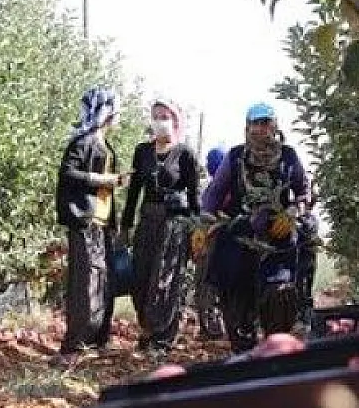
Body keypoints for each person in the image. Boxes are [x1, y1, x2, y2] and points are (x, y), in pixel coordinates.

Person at [201, 102, 314, 354]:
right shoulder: (235, 157)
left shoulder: (288, 156)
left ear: (275, 125)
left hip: (278, 236)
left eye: (266, 123)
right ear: (247, 127)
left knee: (279, 294)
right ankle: (244, 354)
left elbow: (305, 191)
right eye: (256, 124)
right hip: (240, 236)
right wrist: (203, 224)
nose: (261, 129)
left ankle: (276, 351)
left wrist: (295, 211)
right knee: (237, 300)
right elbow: (214, 194)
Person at [120, 97, 202, 352]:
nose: (160, 122)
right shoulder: (142, 151)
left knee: (166, 280)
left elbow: (194, 195)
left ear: (175, 120)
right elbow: (133, 191)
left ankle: (163, 337)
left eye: (165, 116)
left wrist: (198, 230)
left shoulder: (185, 154)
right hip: (147, 221)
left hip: (175, 224)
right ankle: (146, 329)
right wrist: (125, 226)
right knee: (141, 279)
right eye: (156, 116)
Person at [55, 86, 127, 358]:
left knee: (103, 282)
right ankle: (76, 345)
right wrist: (102, 180)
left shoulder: (105, 145)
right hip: (84, 220)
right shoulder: (82, 143)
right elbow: (68, 174)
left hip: (101, 223)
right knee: (85, 283)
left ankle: (96, 340)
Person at [192, 146, 229, 340]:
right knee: (212, 286)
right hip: (212, 242)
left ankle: (211, 328)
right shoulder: (215, 187)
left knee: (206, 285)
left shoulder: (215, 189)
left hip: (212, 241)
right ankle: (213, 326)